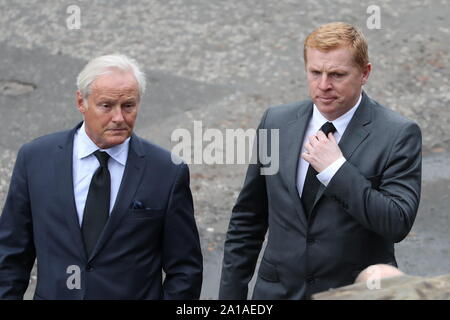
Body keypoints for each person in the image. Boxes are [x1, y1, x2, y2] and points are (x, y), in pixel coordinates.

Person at [219, 22, 422, 300]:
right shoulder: (275, 122)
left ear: (365, 73)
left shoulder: (398, 134)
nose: (324, 85)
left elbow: (396, 222)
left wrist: (336, 171)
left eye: (337, 75)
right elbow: (248, 219)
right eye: (315, 73)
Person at [0, 54, 203, 299]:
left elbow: (185, 269)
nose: (119, 118)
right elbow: (11, 255)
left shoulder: (167, 172)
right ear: (81, 102)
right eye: (106, 106)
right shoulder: (35, 159)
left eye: (128, 105)